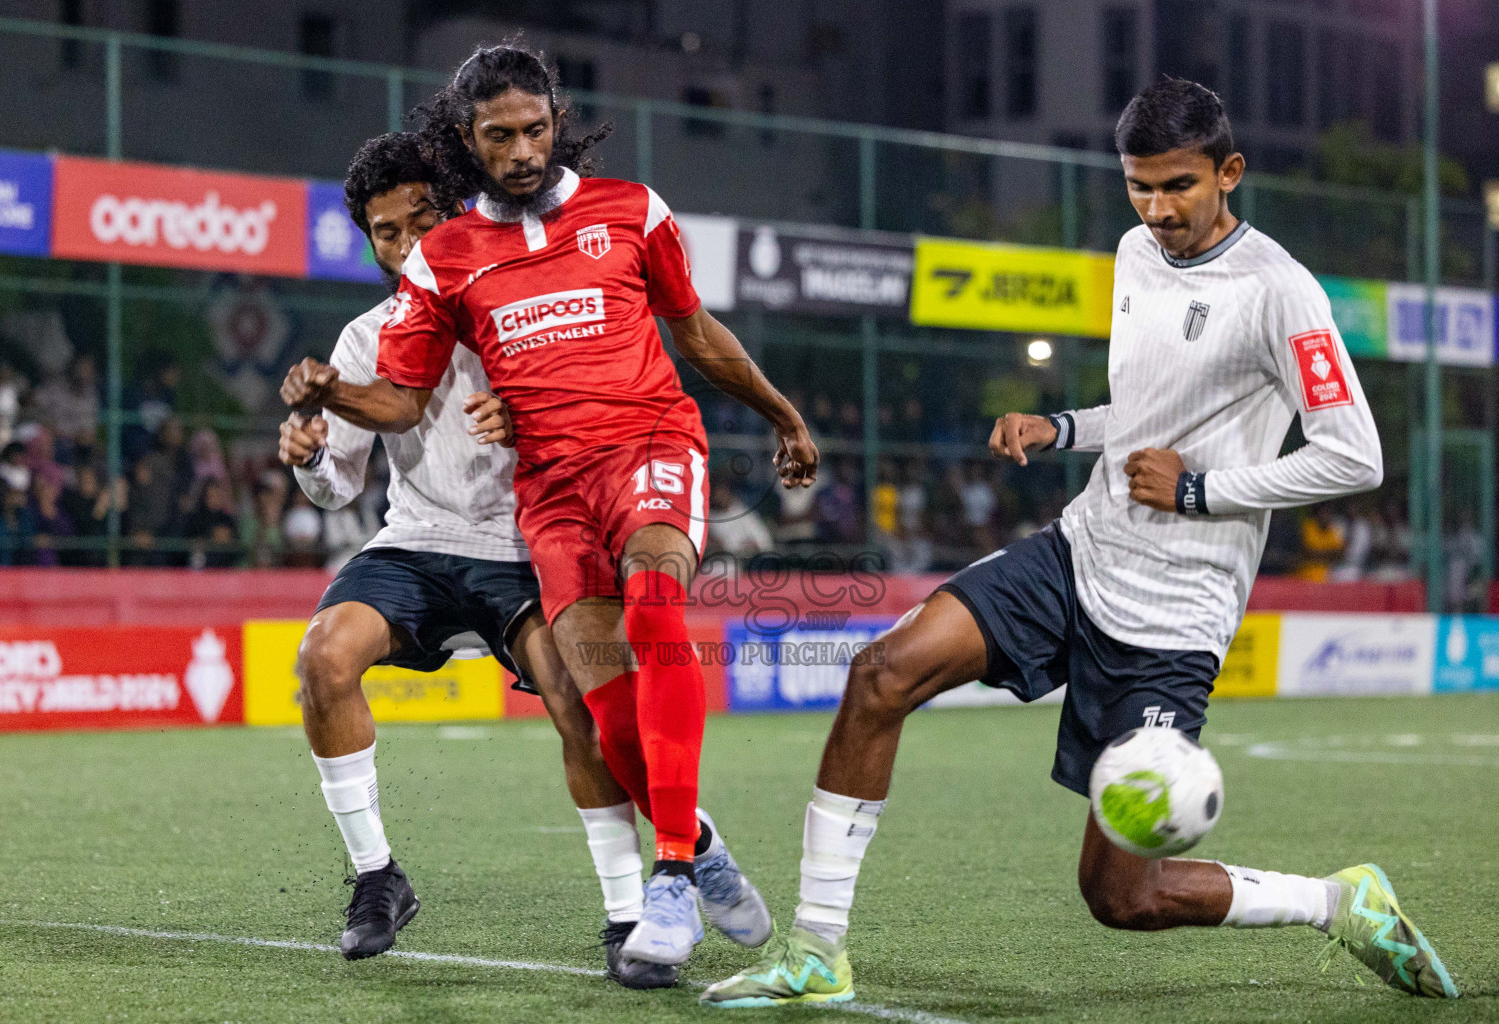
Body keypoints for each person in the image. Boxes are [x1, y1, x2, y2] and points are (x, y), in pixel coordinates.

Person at [703, 79, 1456, 1008]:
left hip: (1177, 616)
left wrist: (1198, 490)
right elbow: (1148, 413)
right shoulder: (1135, 252)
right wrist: (1062, 428)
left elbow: (1355, 456)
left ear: (1230, 173)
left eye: (1177, 185)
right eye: (1139, 186)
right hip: (1080, 551)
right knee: (880, 673)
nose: (1156, 208)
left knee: (1121, 896)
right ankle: (815, 952)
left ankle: (1340, 902)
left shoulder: (1282, 292)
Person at [282, 46, 817, 969]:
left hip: (591, 489)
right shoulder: (430, 285)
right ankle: (382, 875)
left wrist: (781, 414)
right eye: (383, 231)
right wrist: (321, 412)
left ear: (556, 123)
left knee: (620, 646)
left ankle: (658, 886)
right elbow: (391, 413)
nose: (524, 150)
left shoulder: (624, 216)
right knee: (337, 661)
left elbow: (687, 332)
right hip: (456, 531)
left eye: (536, 129)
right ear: (471, 143)